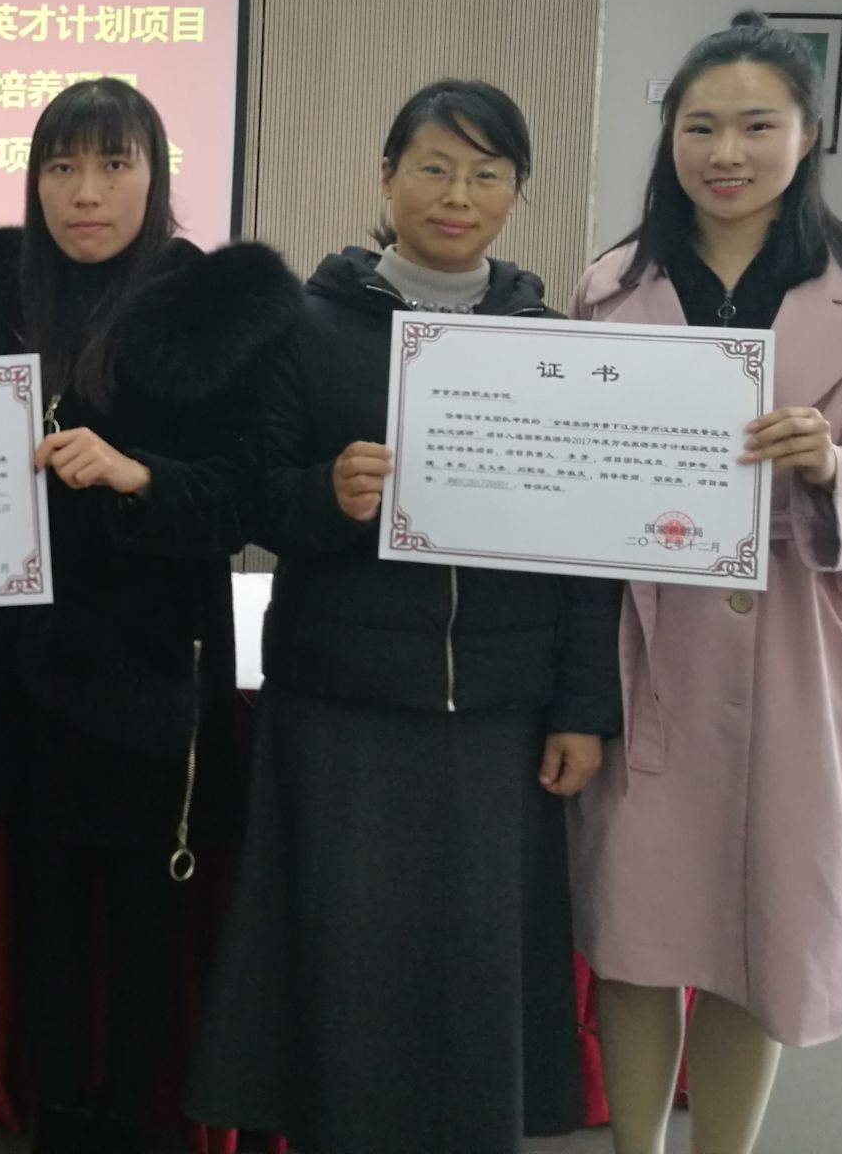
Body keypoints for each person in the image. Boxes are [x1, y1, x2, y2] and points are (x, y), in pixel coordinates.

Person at [185, 79, 622, 1153]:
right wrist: (323, 496)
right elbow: (250, 498)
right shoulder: (302, 328)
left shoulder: (553, 343)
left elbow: (589, 552)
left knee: (475, 969)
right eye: (432, 167)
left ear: (516, 191)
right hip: (343, 703)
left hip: (500, 713)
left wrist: (581, 706)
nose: (456, 195)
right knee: (346, 966)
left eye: (485, 174)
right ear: (385, 178)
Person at [0, 78, 299, 1154]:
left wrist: (138, 475)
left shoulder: (217, 310)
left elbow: (248, 497)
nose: (85, 192)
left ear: (155, 175)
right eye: (61, 166)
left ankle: (128, 1119)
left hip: (152, 674)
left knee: (146, 922)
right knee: (39, 915)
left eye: (112, 164)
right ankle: (57, 1118)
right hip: (20, 671)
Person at [569, 12, 842, 1154]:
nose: (725, 152)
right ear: (668, 135)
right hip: (649, 637)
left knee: (757, 938)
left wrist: (835, 466)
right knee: (635, 932)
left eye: (756, 126)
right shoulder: (609, 287)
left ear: (807, 134)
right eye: (699, 125)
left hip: (795, 642)